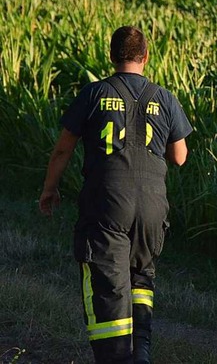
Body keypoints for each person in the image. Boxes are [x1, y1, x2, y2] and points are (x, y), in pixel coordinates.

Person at [39, 26, 193, 364]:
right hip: (153, 206)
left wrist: (49, 189)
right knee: (140, 279)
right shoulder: (164, 96)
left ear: (111, 56)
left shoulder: (94, 93)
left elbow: (63, 150)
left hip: (107, 203)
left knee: (108, 285)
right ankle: (142, 354)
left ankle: (118, 359)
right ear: (146, 57)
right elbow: (180, 156)